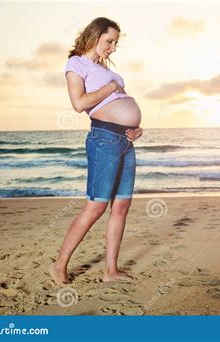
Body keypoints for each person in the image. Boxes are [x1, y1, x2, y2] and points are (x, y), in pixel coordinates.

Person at [50, 17, 143, 284]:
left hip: (124, 140)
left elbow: (119, 104)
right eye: (109, 41)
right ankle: (59, 266)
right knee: (96, 207)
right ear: (94, 35)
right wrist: (111, 87)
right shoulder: (76, 63)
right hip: (103, 140)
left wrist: (135, 127)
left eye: (115, 43)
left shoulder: (102, 68)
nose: (112, 47)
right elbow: (79, 103)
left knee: (122, 205)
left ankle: (110, 271)